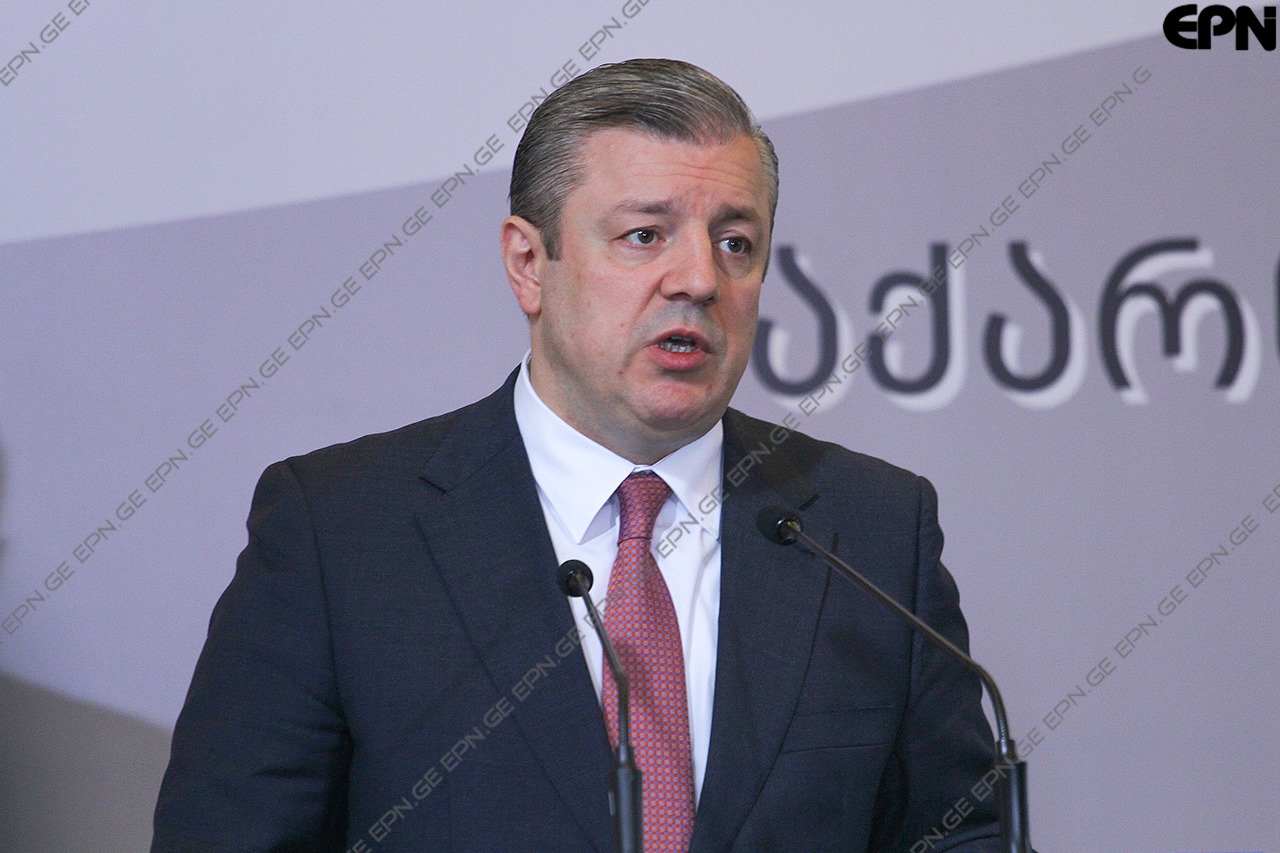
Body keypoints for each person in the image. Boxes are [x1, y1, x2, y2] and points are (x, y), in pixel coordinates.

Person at [154, 58, 1002, 852]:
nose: (700, 279)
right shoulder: (339, 534)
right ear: (529, 263)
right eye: (645, 234)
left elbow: (964, 835)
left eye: (736, 242)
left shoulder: (871, 532)